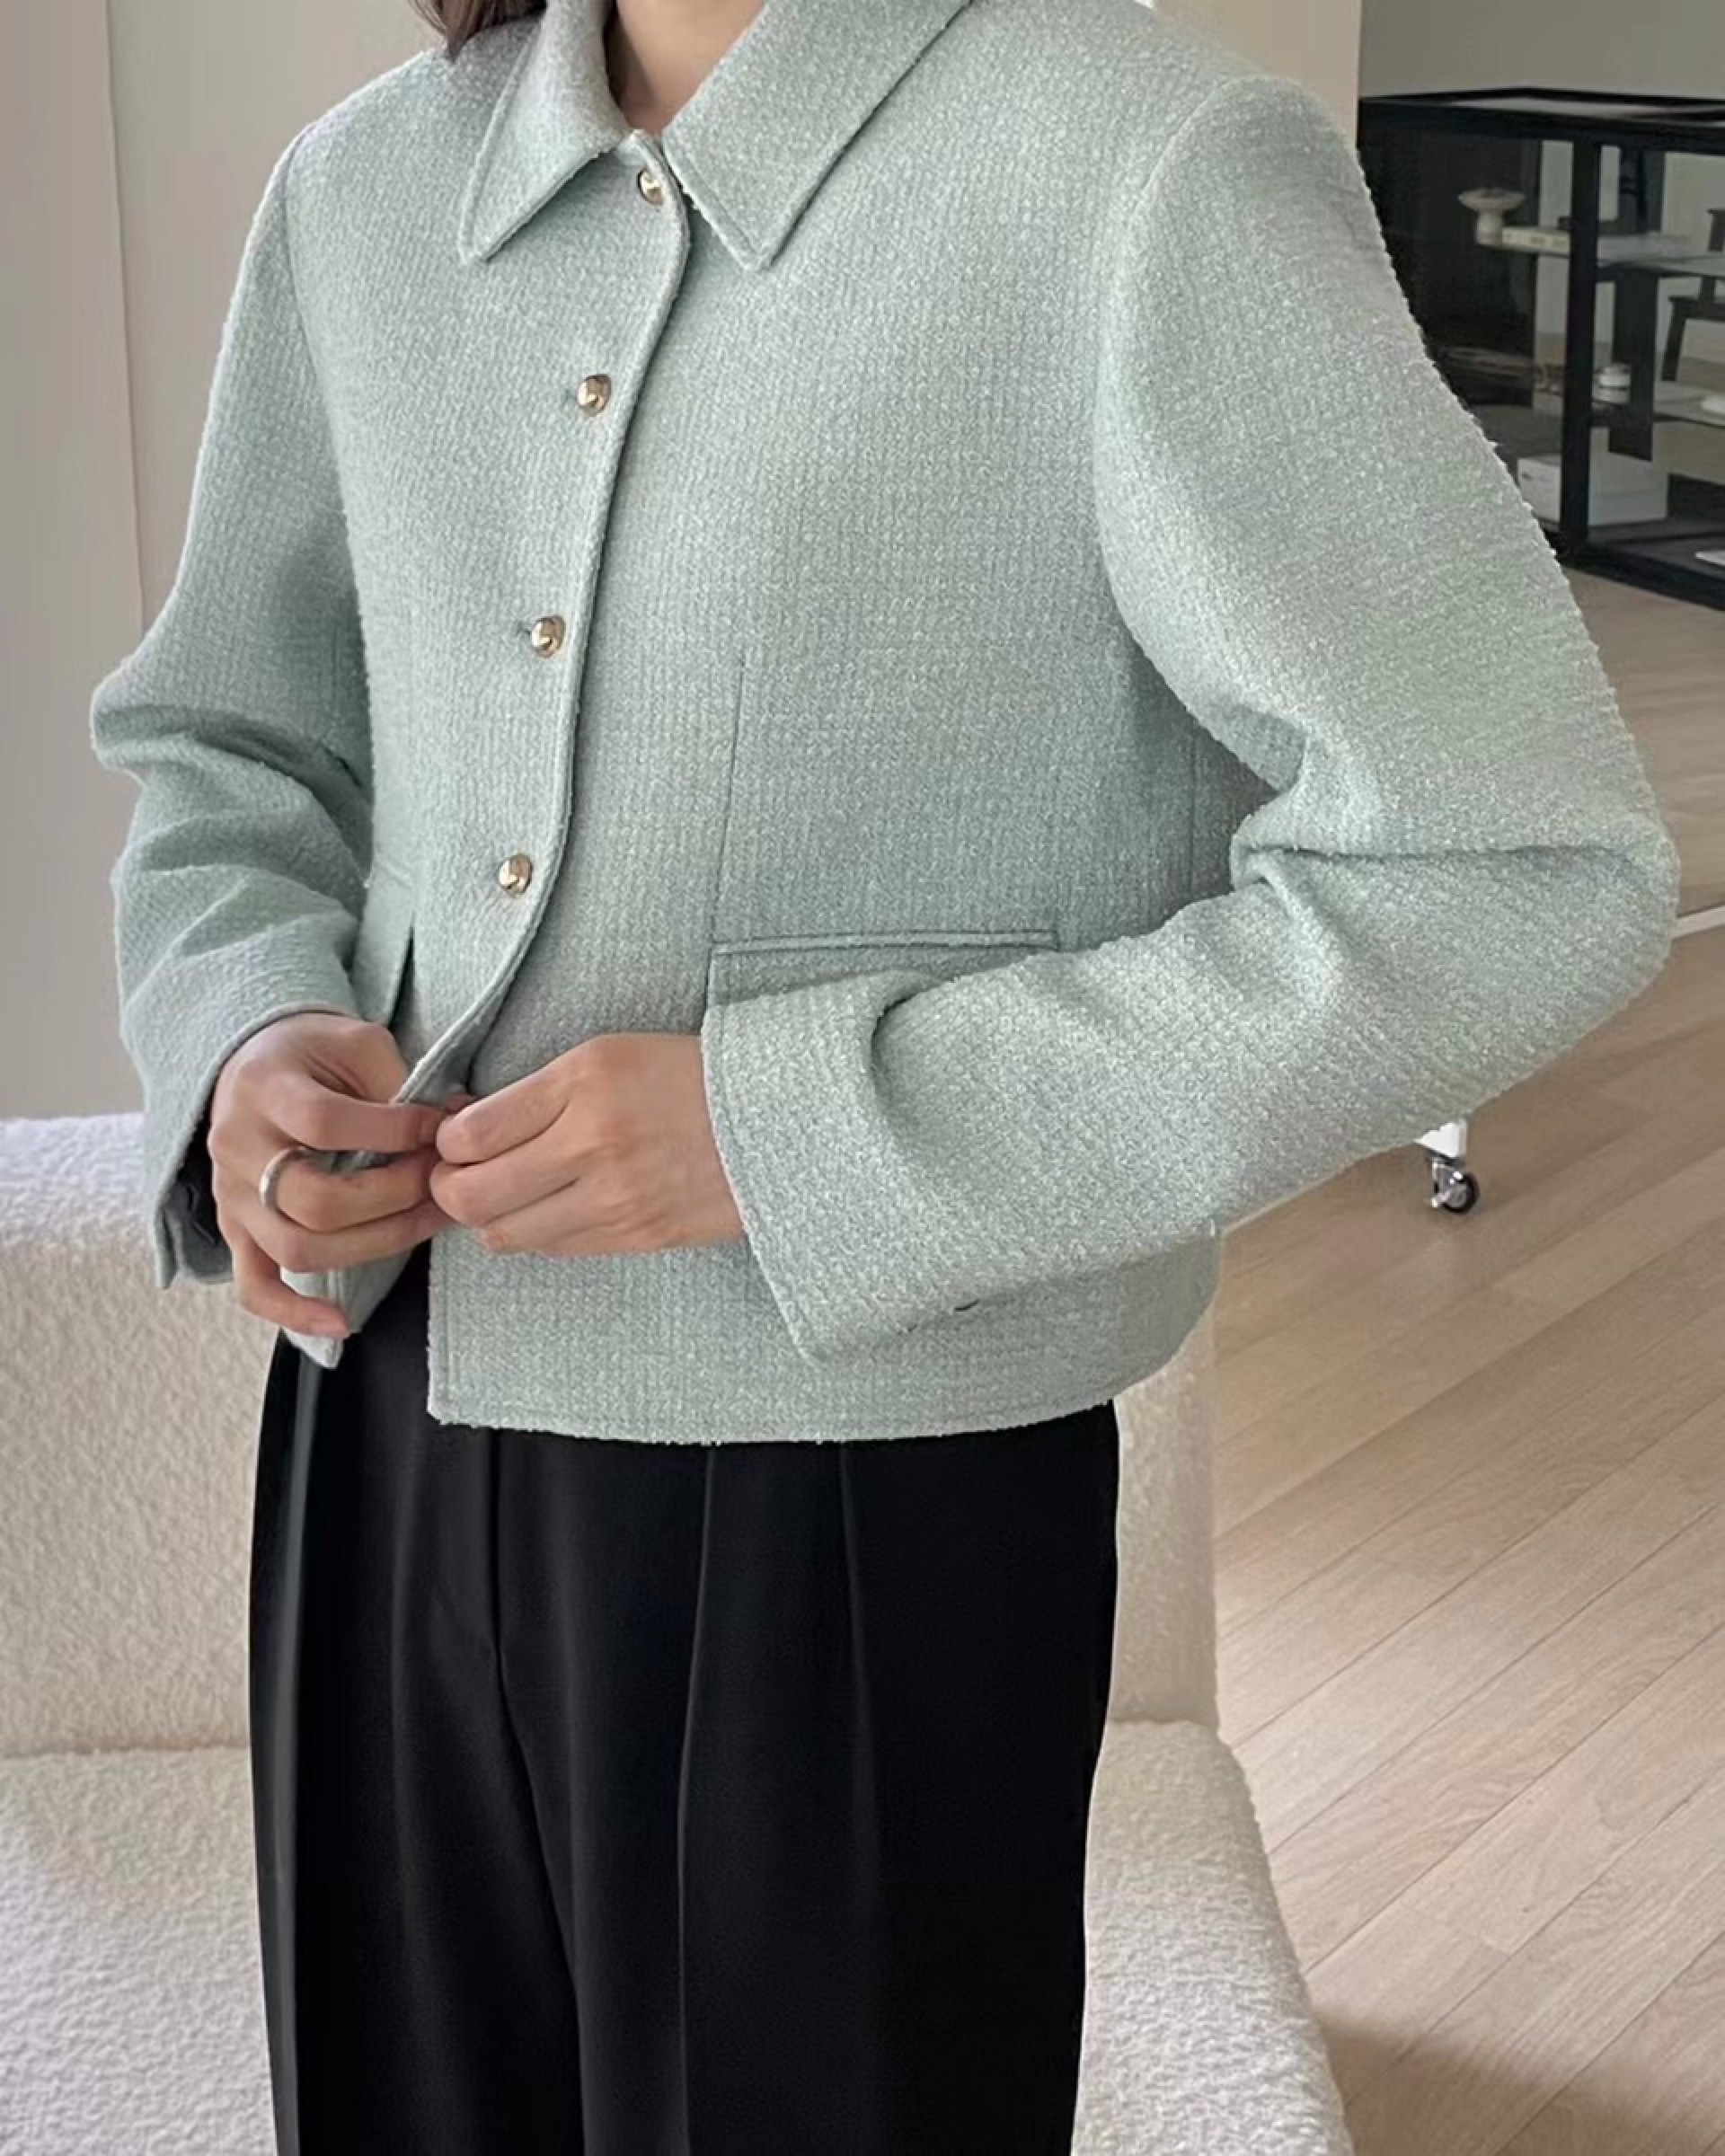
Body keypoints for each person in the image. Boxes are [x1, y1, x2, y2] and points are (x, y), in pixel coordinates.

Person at [87, 0, 1682, 2150]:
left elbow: (1511, 870)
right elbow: (236, 748)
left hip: (856, 1495)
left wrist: (806, 1129)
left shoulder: (1146, 171)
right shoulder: (365, 190)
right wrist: (248, 1026)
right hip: (379, 1425)